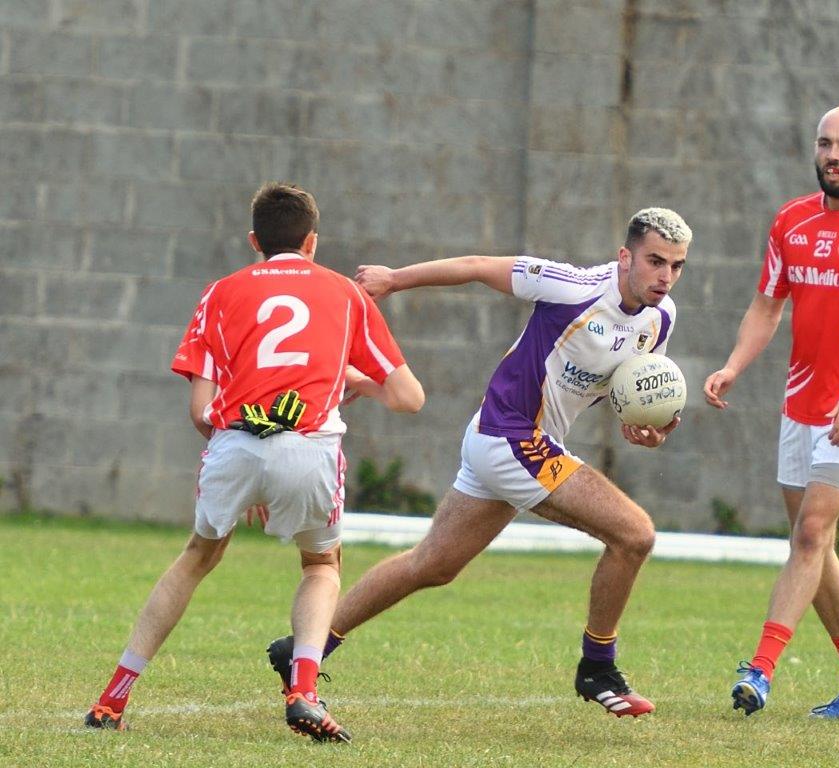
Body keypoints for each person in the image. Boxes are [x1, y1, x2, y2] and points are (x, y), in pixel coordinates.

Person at [265, 208, 691, 717]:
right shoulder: (572, 286)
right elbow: (475, 264)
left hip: (514, 442)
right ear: (626, 257)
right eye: (655, 261)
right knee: (635, 534)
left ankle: (304, 649)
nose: (665, 277)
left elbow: (629, 392)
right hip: (511, 437)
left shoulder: (660, 318)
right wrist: (393, 280)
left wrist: (644, 429)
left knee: (432, 565)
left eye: (677, 265)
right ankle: (598, 666)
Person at [84, 183, 424, 742]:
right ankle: (304, 691)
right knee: (320, 566)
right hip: (310, 446)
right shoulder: (344, 293)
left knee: (196, 558)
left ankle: (112, 699)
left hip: (236, 442)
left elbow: (200, 410)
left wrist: (251, 471)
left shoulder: (220, 293)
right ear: (312, 241)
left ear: (254, 242)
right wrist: (353, 381)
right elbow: (409, 398)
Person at [703, 105, 839, 718]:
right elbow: (766, 308)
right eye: (826, 143)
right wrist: (732, 366)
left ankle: (761, 668)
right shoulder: (791, 221)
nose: (834, 155)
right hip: (801, 405)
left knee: (810, 532)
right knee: (815, 544)